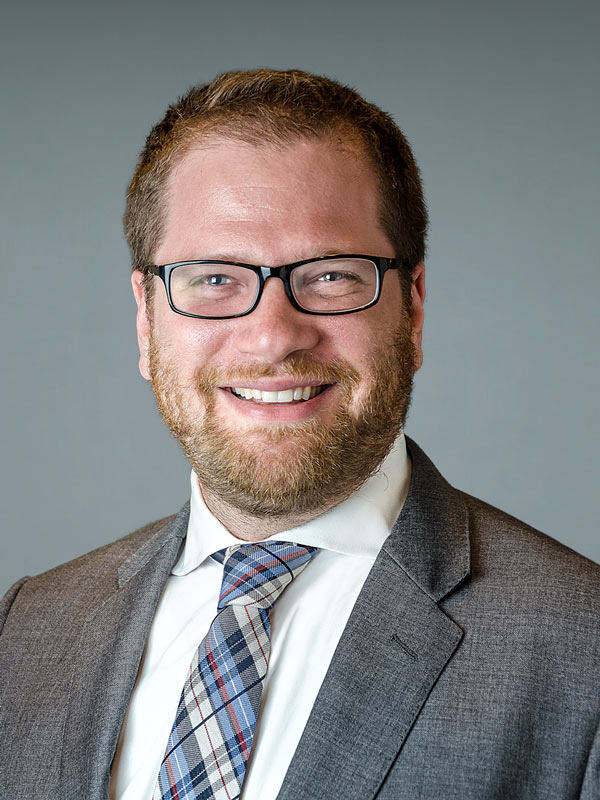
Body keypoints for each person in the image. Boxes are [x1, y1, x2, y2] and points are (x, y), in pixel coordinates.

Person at [0, 68, 598, 800]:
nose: (272, 336)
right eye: (214, 279)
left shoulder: (581, 652)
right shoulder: (25, 631)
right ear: (146, 320)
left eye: (331, 276)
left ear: (412, 310)